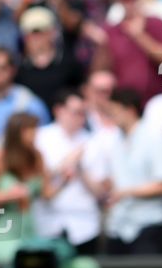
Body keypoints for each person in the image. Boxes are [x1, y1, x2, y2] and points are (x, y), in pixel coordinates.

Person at [0, 112, 55, 264]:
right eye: (31, 129)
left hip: (30, 228)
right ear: (17, 132)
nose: (35, 134)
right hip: (6, 227)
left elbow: (46, 194)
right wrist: (7, 195)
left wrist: (65, 181)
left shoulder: (37, 157)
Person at [34, 89, 113, 254]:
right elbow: (34, 181)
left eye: (83, 113)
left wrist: (81, 169)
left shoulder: (93, 142)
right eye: (75, 112)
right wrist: (65, 164)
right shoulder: (40, 138)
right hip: (47, 223)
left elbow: (101, 192)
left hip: (85, 225)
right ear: (58, 111)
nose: (80, 118)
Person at [102, 87, 162, 254]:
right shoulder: (115, 139)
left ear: (130, 110)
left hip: (150, 225)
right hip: (118, 226)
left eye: (115, 111)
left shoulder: (155, 137)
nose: (112, 117)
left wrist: (125, 193)